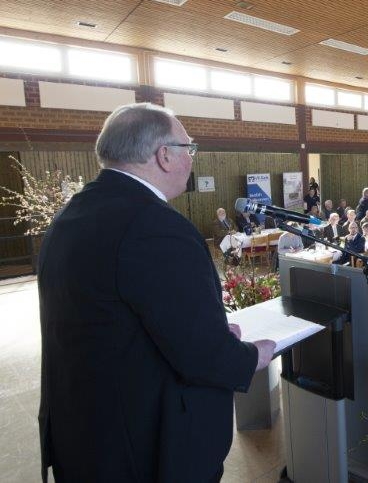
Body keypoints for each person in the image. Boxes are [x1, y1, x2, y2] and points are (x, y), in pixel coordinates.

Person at [37, 103, 275, 482]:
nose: (192, 158)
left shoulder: (73, 214)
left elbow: (114, 320)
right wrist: (251, 356)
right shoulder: (155, 226)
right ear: (164, 155)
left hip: (84, 432)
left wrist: (209, 332)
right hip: (143, 449)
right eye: (189, 148)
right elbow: (203, 356)